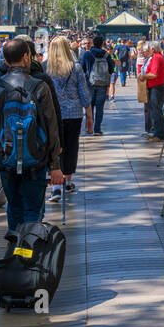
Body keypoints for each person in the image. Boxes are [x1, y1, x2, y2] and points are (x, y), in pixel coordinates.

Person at [0, 39, 64, 241]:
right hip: (36, 158)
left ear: (5, 60)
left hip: (6, 158)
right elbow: (52, 128)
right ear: (27, 57)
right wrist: (55, 164)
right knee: (33, 210)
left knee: (14, 207)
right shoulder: (40, 86)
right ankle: (30, 251)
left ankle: (15, 251)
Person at [44, 36, 91, 203]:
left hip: (51, 115)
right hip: (73, 114)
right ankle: (68, 180)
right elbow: (84, 93)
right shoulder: (75, 68)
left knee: (54, 147)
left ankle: (55, 186)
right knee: (71, 147)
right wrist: (89, 116)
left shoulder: (46, 68)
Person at [80, 33, 116, 134]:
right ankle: (97, 129)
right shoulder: (106, 54)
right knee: (100, 108)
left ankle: (89, 128)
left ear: (93, 44)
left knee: (89, 107)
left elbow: (82, 69)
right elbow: (111, 69)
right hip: (102, 84)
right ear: (102, 44)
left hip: (89, 84)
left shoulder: (87, 54)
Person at [140, 42, 164, 142]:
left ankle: (159, 134)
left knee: (156, 111)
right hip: (157, 87)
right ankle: (156, 133)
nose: (148, 50)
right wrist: (162, 76)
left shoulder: (156, 58)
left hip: (156, 88)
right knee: (154, 111)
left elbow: (153, 74)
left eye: (149, 48)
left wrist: (144, 76)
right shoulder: (160, 57)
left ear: (153, 49)